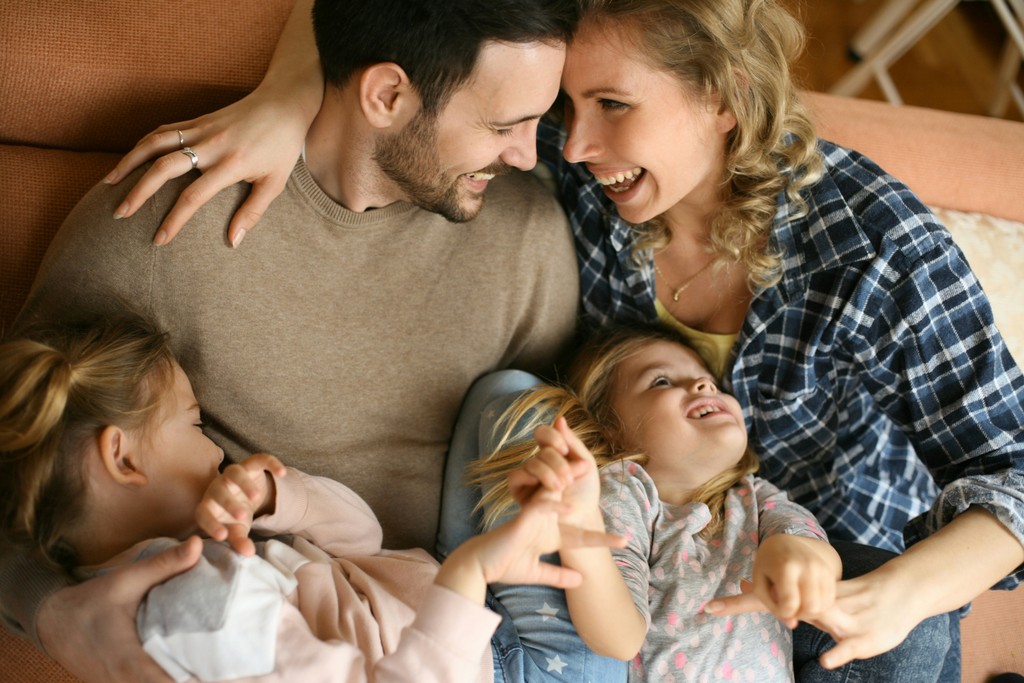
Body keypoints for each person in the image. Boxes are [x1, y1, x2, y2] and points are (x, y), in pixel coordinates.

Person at [120, 0, 1024, 680]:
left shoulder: (873, 245)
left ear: (727, 97)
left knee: (905, 645)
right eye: (566, 105)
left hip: (819, 568)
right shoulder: (582, 167)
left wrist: (895, 596)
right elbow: (399, 25)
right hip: (626, 548)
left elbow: (1013, 469)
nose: (575, 143)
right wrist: (287, 99)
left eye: (613, 107)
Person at [0, 1, 583, 682]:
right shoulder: (162, 227)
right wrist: (53, 612)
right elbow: (26, 465)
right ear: (386, 94)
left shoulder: (529, 244)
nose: (530, 154)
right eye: (503, 124)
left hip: (488, 625)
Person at [0, 313, 625, 683]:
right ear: (123, 457)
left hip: (456, 609)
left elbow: (365, 544)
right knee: (558, 468)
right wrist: (471, 572)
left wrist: (280, 495)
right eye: (194, 425)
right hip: (519, 668)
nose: (216, 449)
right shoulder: (205, 607)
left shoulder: (202, 560)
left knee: (505, 397)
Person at [461, 324, 842, 681]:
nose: (702, 382)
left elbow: (815, 549)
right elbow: (619, 639)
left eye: (708, 378)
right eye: (662, 380)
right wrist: (584, 528)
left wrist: (796, 556)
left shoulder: (756, 498)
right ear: (610, 429)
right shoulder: (626, 491)